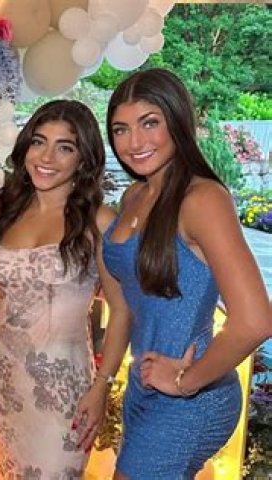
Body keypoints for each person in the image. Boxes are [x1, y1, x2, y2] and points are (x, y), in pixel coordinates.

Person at [103, 68, 272, 478]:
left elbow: (255, 321)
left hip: (190, 397)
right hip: (145, 385)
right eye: (121, 129)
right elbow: (131, 295)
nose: (134, 142)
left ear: (177, 121)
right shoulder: (135, 194)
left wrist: (186, 380)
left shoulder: (202, 199)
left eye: (149, 123)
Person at [0, 100, 130, 478]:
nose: (46, 157)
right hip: (4, 383)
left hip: (63, 392)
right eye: (39, 142)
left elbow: (122, 309)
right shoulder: (8, 210)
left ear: (83, 160)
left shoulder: (99, 221)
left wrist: (102, 386)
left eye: (64, 147)